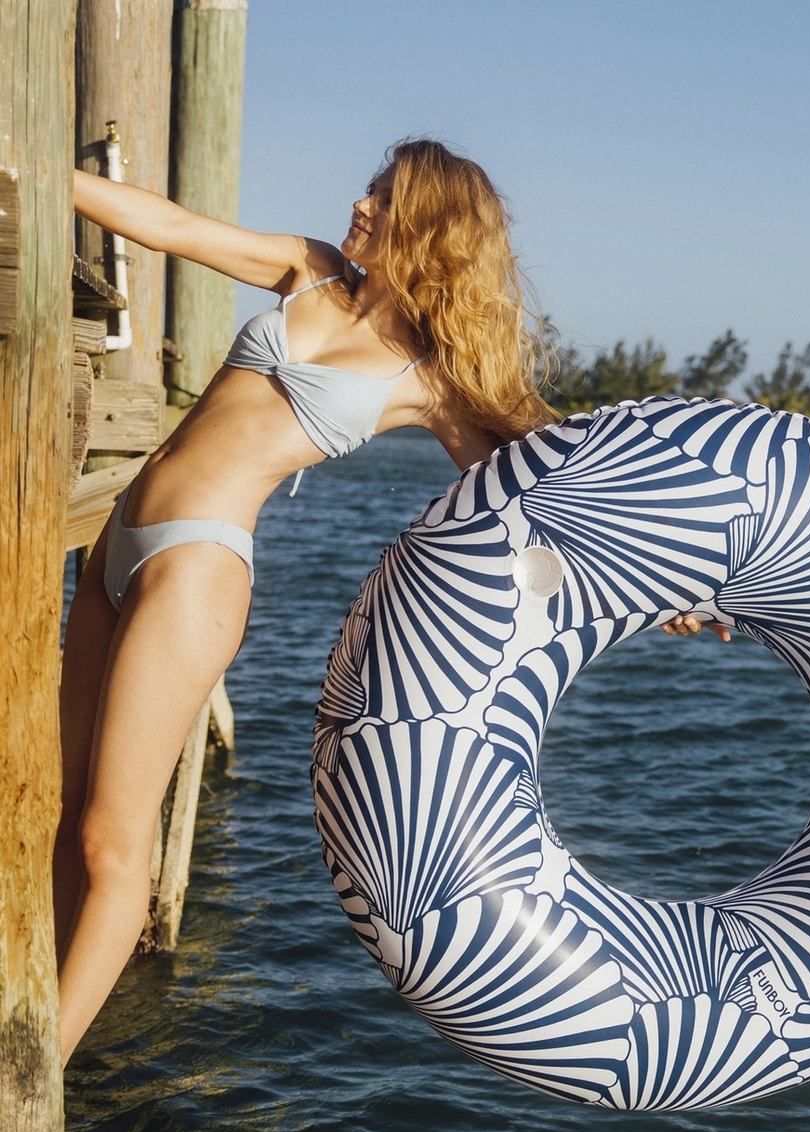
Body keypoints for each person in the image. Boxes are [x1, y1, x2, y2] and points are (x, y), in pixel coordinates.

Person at [59, 138, 723, 1066]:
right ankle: (29, 1013)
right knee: (56, 810)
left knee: (108, 843)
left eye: (385, 196)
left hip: (194, 570)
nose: (362, 205)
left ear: (430, 227)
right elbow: (168, 225)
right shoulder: (310, 270)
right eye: (369, 187)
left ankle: (31, 1079)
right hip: (118, 542)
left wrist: (661, 588)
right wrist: (44, 168)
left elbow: (543, 492)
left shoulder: (431, 377)